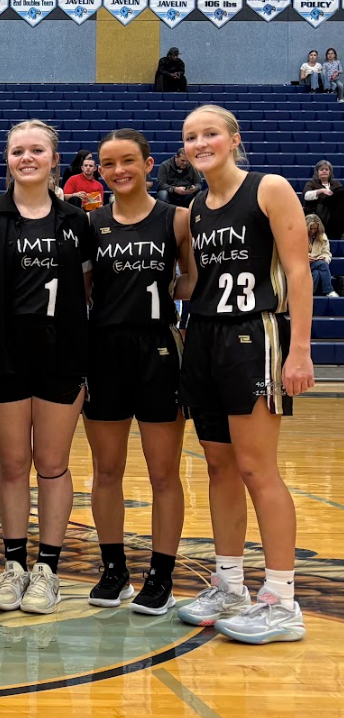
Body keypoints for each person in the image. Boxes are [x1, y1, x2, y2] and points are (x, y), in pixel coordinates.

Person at [174, 105, 314, 644]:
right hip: (203, 337)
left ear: (233, 139)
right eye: (191, 137)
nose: (201, 142)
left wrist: (299, 350)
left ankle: (281, 599)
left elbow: (298, 270)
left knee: (258, 468)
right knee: (218, 467)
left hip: (253, 335)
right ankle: (229, 585)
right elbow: (195, 282)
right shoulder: (197, 207)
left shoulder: (269, 188)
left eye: (210, 133)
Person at [0, 118, 92, 615]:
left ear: (54, 158)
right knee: (12, 466)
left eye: (35, 150)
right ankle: (13, 566)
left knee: (51, 466)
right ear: (6, 159)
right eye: (16, 151)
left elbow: (87, 290)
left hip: (62, 357)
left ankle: (47, 570)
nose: (26, 158)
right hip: (3, 355)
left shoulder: (77, 222)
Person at [84, 129, 193, 615]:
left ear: (150, 164)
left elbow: (191, 279)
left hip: (158, 351)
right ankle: (115, 571)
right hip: (104, 350)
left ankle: (161, 577)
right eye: (109, 164)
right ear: (100, 171)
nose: (119, 170)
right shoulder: (91, 224)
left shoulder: (178, 219)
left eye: (128, 161)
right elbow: (85, 289)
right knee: (106, 470)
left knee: (163, 473)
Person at [302, 160, 341, 225]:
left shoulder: (336, 184)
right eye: (321, 169)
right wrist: (321, 191)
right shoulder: (311, 183)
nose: (324, 171)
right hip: (315, 215)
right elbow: (306, 196)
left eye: (326, 169)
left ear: (330, 172)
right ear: (317, 172)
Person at [308, 214, 337, 297]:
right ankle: (329, 290)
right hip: (301, 265)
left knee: (316, 273)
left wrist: (324, 257)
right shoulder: (299, 236)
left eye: (315, 229)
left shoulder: (322, 237)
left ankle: (309, 293)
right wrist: (304, 258)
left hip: (315, 264)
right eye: (311, 228)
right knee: (322, 264)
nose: (313, 231)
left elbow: (326, 253)